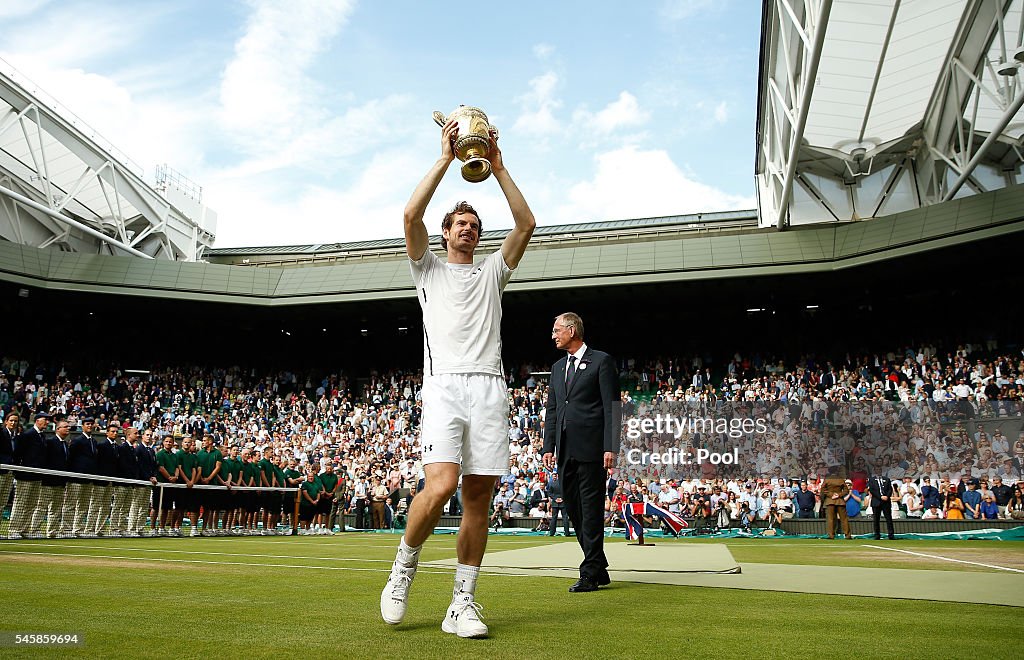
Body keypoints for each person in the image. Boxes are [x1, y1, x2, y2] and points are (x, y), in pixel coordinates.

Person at [381, 115, 535, 640]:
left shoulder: (494, 270)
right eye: (458, 224)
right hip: (445, 384)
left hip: (489, 387)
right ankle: (403, 567)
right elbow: (409, 213)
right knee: (440, 485)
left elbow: (526, 224)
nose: (466, 227)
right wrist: (447, 158)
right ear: (445, 233)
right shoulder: (427, 268)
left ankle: (461, 603)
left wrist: (497, 167)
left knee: (477, 498)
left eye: (472, 224)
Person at [543, 312, 620, 593]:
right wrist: (547, 445)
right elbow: (553, 409)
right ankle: (598, 566)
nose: (553, 335)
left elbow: (612, 406)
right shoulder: (556, 368)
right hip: (564, 450)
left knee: (590, 510)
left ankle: (589, 573)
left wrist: (611, 446)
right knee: (574, 511)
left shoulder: (601, 361)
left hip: (592, 449)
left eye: (556, 330)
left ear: (572, 330)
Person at [8, 412, 49, 539]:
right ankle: (14, 530)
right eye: (45, 420)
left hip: (37, 477)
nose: (47, 422)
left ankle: (25, 529)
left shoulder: (42, 436)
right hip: (25, 476)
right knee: (21, 504)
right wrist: (19, 470)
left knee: (32, 504)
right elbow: (18, 454)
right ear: (37, 421)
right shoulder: (27, 435)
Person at [31, 417, 70, 538]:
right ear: (58, 429)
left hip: (60, 482)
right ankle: (34, 530)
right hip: (48, 482)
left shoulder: (65, 445)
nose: (68, 429)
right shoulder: (50, 442)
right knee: (41, 507)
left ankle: (52, 532)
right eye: (65, 427)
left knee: (56, 509)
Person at [63, 418, 97, 537]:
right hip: (75, 479)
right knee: (70, 505)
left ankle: (77, 529)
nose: (90, 426)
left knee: (83, 506)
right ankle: (66, 530)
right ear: (82, 426)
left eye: (91, 424)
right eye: (87, 424)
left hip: (88, 480)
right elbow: (70, 458)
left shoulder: (94, 441)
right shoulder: (77, 441)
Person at [821, 470, 852, 539]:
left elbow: (822, 489)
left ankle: (831, 535)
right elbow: (846, 490)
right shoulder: (841, 479)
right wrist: (839, 495)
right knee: (844, 519)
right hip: (840, 501)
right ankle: (848, 535)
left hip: (830, 500)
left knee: (830, 519)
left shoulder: (827, 479)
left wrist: (831, 494)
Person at [0, 412, 18, 522]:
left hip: (10, 472)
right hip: (1, 471)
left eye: (15, 421)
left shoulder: (16, 437)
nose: (13, 422)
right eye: (11, 420)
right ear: (6, 421)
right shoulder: (1, 433)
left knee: (3, 502)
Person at [867, 474, 897, 539]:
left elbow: (890, 489)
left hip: (886, 502)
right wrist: (880, 497)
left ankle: (891, 535)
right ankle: (877, 535)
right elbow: (872, 490)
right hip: (876, 501)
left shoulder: (887, 479)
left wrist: (887, 496)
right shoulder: (871, 480)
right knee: (876, 519)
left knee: (889, 518)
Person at [547, 471, 570, 537]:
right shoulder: (565, 483)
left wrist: (555, 499)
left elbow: (549, 493)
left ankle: (552, 533)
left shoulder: (552, 483)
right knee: (565, 517)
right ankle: (567, 533)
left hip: (555, 502)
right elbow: (568, 492)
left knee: (554, 518)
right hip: (563, 502)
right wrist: (562, 498)